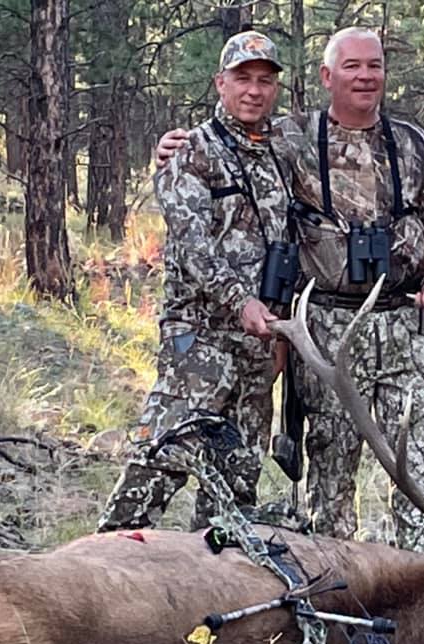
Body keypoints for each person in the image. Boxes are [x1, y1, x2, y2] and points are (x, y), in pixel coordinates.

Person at [156, 28, 424, 552]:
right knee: (330, 480)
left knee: (423, 475)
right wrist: (171, 148)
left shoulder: (413, 144)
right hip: (325, 330)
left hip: (406, 326)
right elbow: (226, 143)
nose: (365, 77)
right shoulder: (289, 137)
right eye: (352, 67)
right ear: (326, 76)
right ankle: (339, 603)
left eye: (375, 66)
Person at [97, 31, 290, 533]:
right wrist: (240, 300)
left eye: (264, 81)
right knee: (160, 458)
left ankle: (211, 590)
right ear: (219, 83)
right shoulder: (191, 151)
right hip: (200, 341)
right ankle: (100, 572)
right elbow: (191, 246)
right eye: (242, 79)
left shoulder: (282, 153)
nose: (253, 90)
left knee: (236, 484)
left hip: (258, 346)